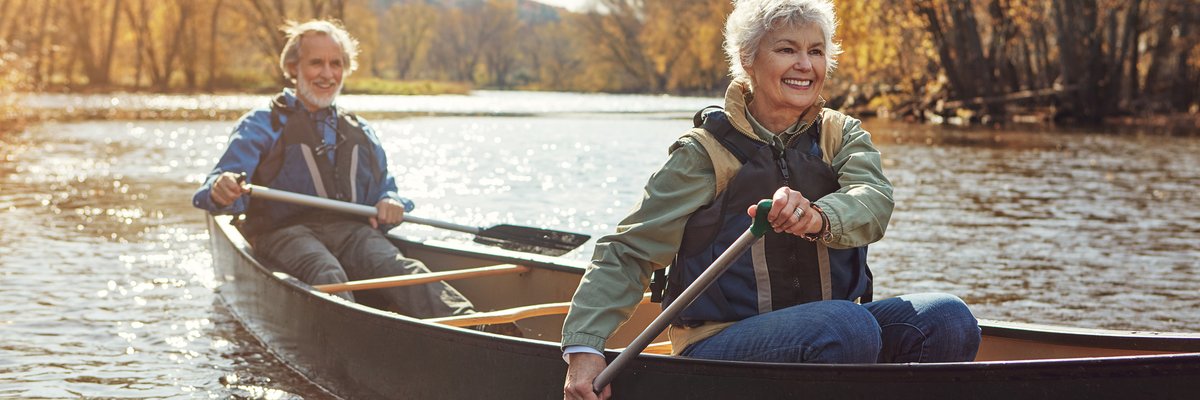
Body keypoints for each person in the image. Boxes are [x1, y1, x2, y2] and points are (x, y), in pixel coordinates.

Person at [561, 0, 980, 397]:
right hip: (719, 344)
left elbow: (873, 201)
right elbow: (629, 251)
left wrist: (819, 216)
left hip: (830, 330)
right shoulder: (703, 154)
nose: (805, 65)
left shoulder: (842, 135)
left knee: (948, 319)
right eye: (787, 49)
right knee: (847, 326)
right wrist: (584, 348)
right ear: (748, 59)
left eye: (816, 51)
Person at [192, 20, 474, 319]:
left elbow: (385, 189)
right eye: (316, 63)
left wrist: (391, 201)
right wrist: (222, 188)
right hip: (283, 231)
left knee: (399, 267)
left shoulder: (360, 129)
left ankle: (473, 325)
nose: (327, 74)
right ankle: (357, 340)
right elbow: (212, 190)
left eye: (335, 64)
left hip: (351, 231)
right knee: (325, 269)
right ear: (292, 67)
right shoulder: (261, 123)